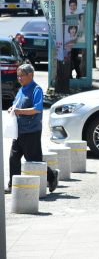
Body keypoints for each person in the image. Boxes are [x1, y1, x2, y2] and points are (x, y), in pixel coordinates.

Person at [5, 64, 59, 194]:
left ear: (30, 75)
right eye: (18, 75)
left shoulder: (36, 89)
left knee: (33, 160)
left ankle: (52, 176)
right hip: (19, 130)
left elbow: (37, 109)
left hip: (31, 130)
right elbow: (15, 104)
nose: (19, 78)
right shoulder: (21, 89)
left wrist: (19, 111)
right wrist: (12, 109)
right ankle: (13, 185)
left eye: (22, 75)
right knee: (13, 157)